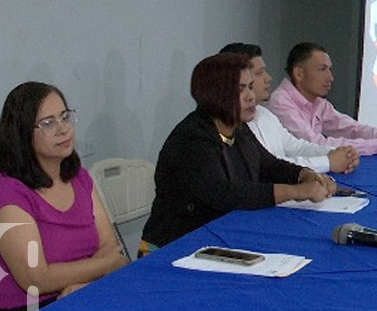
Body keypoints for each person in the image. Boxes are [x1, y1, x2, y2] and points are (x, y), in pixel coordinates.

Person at [138, 53, 335, 254]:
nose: (250, 96)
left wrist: (305, 174)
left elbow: (267, 165)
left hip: (217, 239)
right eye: (240, 90)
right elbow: (223, 193)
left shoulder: (236, 127)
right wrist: (294, 192)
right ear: (215, 94)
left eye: (250, 87)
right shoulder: (192, 138)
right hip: (173, 247)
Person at [0, 82, 127, 311]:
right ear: (22, 133)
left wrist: (83, 286)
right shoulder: (6, 192)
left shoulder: (77, 176)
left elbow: (109, 245)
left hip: (87, 293)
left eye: (64, 117)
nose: (63, 129)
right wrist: (108, 265)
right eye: (48, 123)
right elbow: (37, 279)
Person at [219, 42, 359, 174]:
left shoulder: (264, 114)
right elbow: (271, 166)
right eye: (260, 73)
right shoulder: (230, 124)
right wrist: (328, 161)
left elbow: (295, 146)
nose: (268, 78)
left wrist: (335, 153)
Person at [266, 42, 377, 156]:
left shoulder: (318, 102)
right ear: (299, 73)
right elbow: (314, 145)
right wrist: (373, 145)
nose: (330, 78)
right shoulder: (280, 102)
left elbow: (352, 129)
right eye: (322, 69)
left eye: (329, 69)